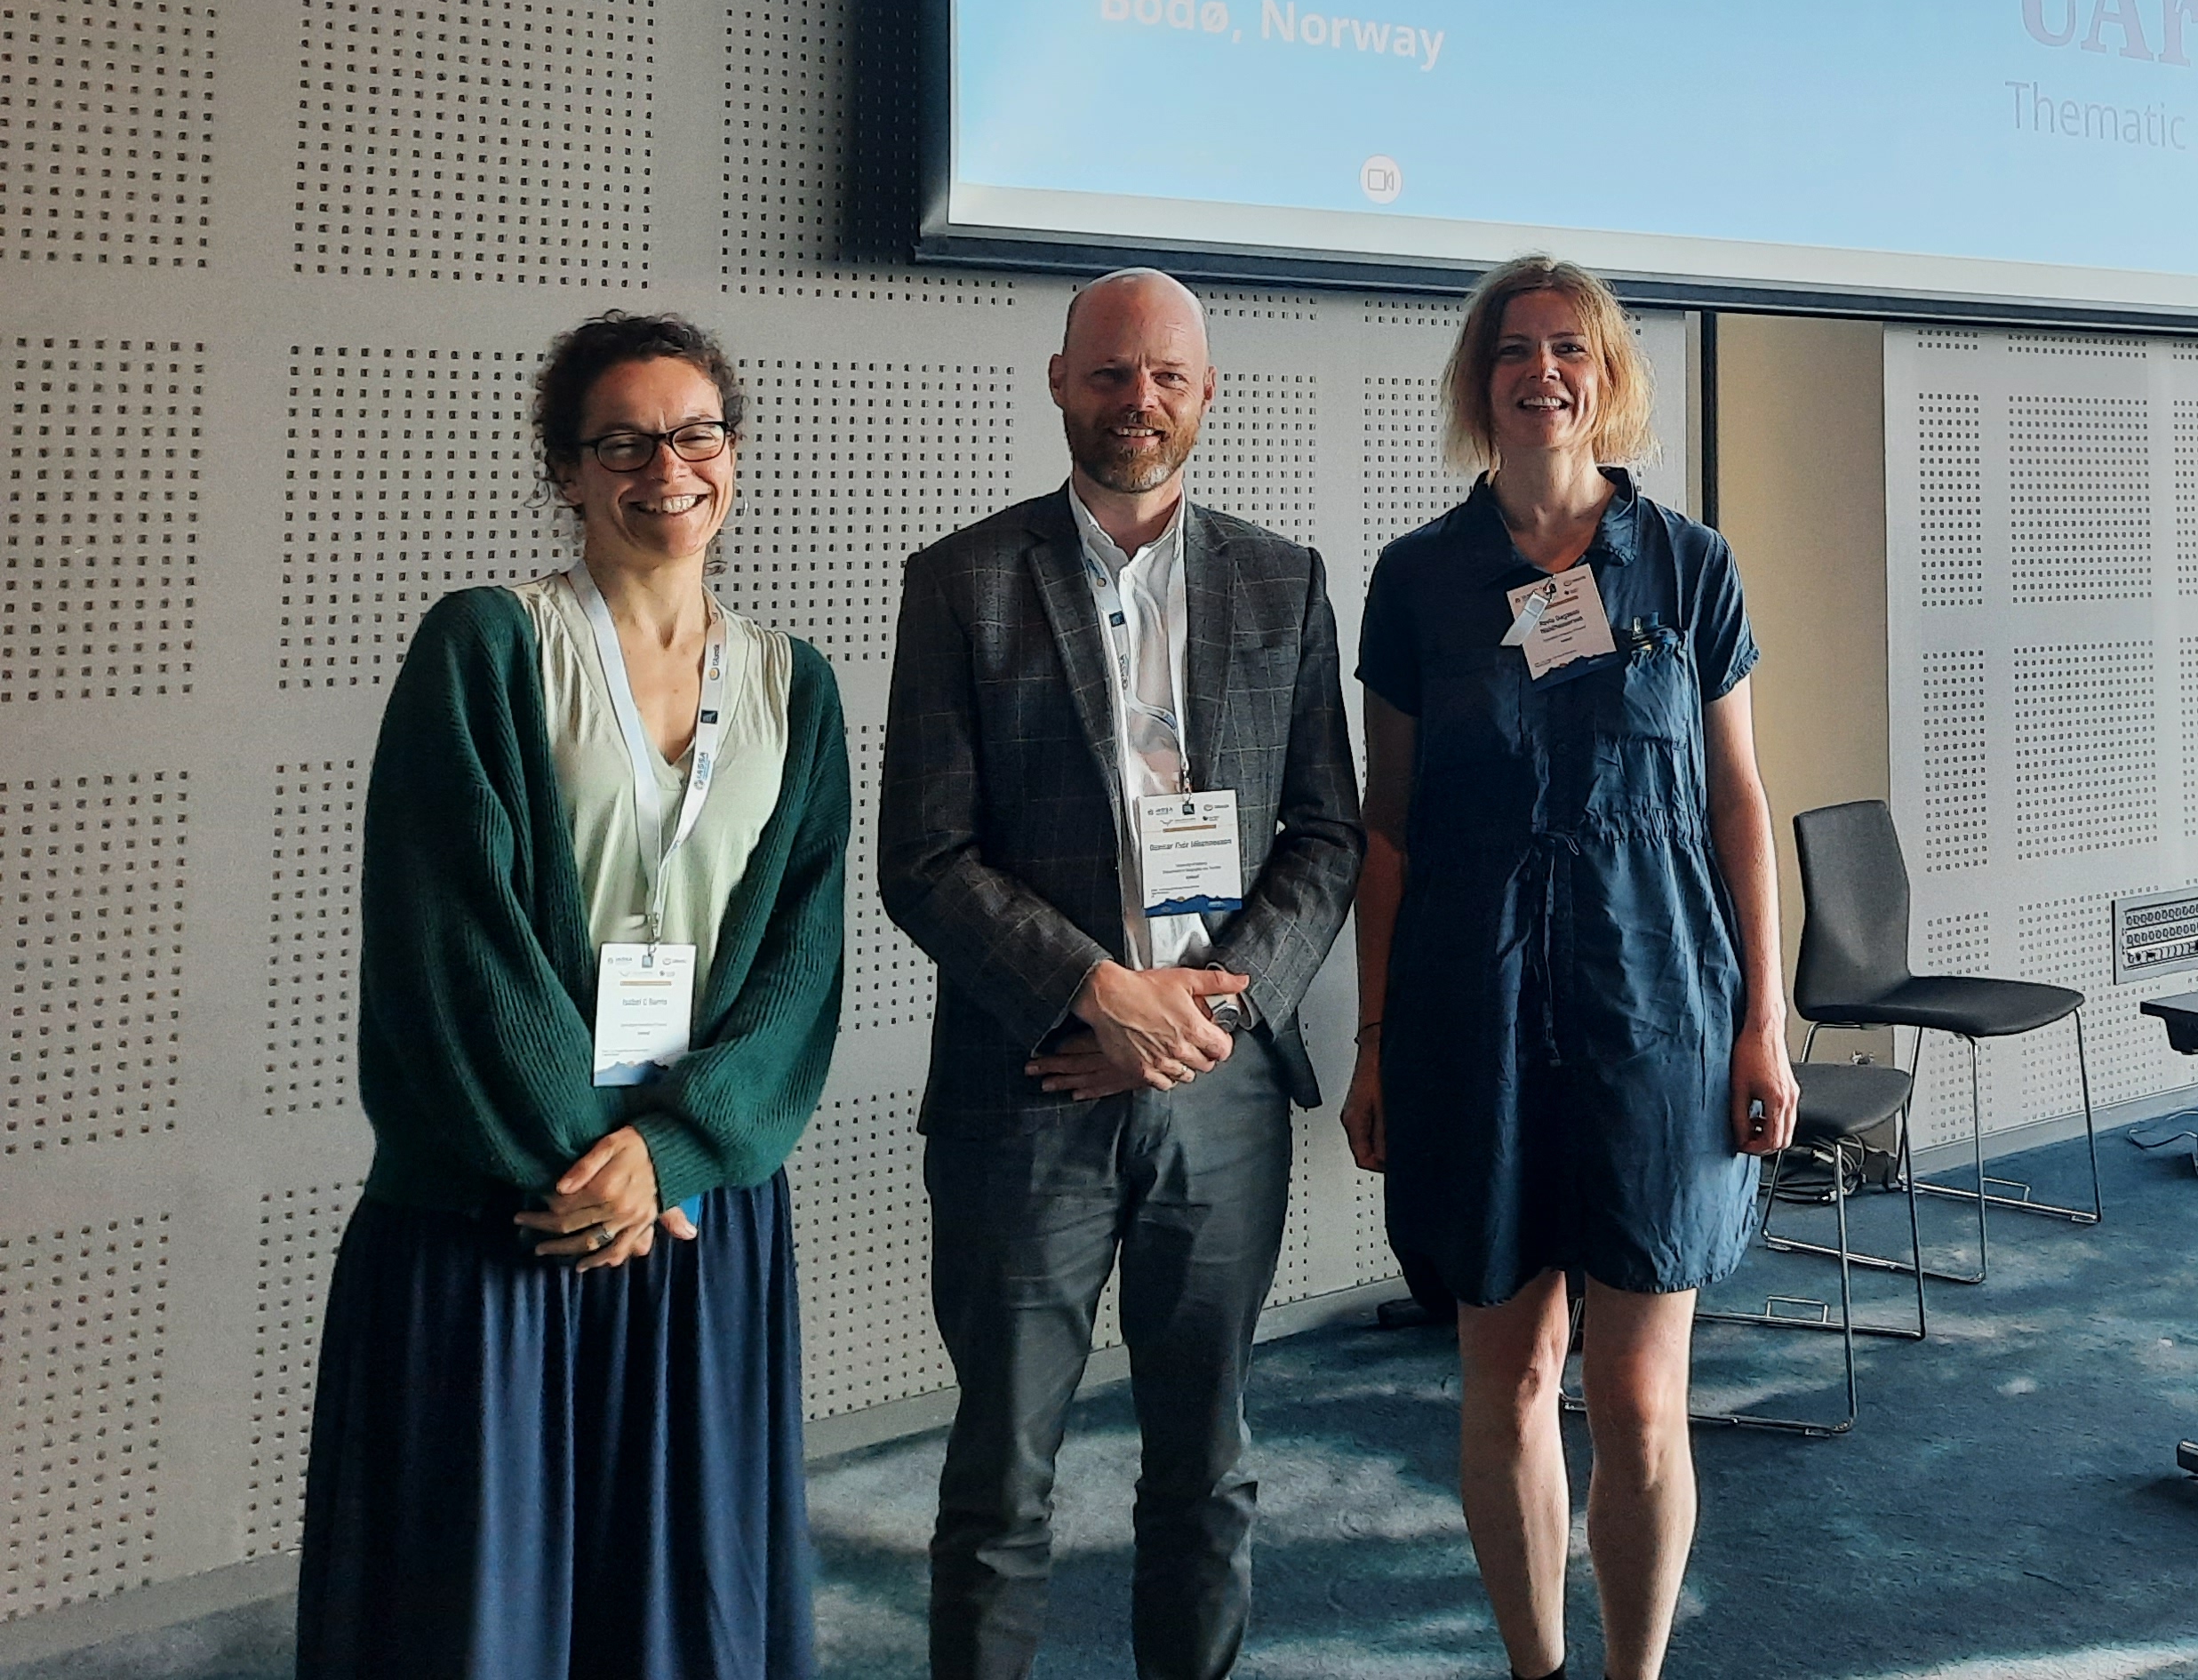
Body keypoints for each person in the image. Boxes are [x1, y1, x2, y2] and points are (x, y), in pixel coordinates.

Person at [296, 312, 850, 1678]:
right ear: (567, 471)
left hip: (692, 1206)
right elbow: (452, 943)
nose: (669, 466)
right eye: (625, 441)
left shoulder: (796, 686)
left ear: (736, 453)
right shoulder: (484, 646)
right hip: (508, 1204)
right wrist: (588, 1168)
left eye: (697, 433)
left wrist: (668, 1150)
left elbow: (800, 964)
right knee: (481, 1618)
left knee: (679, 1607)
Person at [882, 269, 1363, 1680]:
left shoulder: (1285, 581)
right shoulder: (961, 583)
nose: (1135, 402)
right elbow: (925, 855)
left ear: (1205, 398)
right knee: (997, 1487)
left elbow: (1326, 834)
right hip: (1028, 1091)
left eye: (1164, 378)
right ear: (1057, 382)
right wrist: (1103, 993)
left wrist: (1202, 1012)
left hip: (1220, 1098)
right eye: (1108, 374)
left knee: (1207, 1467)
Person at [1340, 256, 1794, 1680]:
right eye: (1514, 351)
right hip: (1474, 1019)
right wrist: (1370, 1042)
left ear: (1607, 375)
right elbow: (1390, 830)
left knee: (1640, 1397)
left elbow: (1737, 803)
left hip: (1662, 1009)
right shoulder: (1418, 580)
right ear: (1482, 383)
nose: (1543, 373)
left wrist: (1763, 1026)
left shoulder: (1687, 563)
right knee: (1510, 1377)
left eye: (1570, 350)